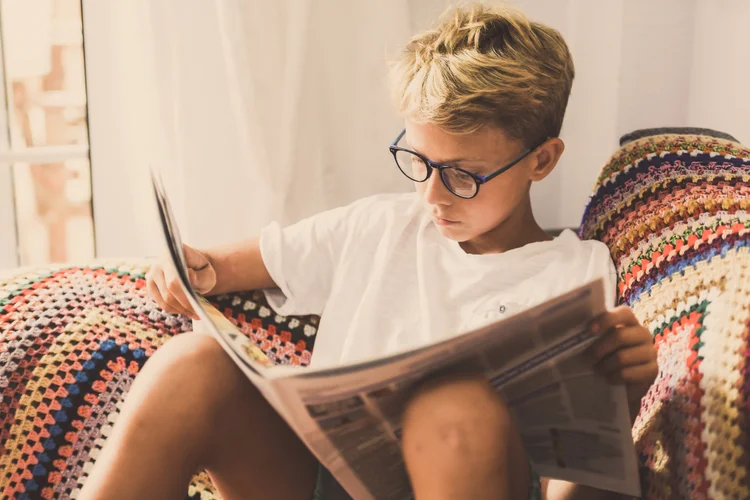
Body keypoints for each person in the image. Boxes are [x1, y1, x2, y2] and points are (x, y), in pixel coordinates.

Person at [80, 4, 657, 499]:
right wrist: (191, 270)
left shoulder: (574, 273)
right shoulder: (376, 227)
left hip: (470, 474)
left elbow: (571, 481)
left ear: (542, 160)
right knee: (192, 364)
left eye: (462, 174)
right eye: (419, 161)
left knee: (452, 410)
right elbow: (223, 267)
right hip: (327, 482)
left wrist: (622, 398)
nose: (430, 195)